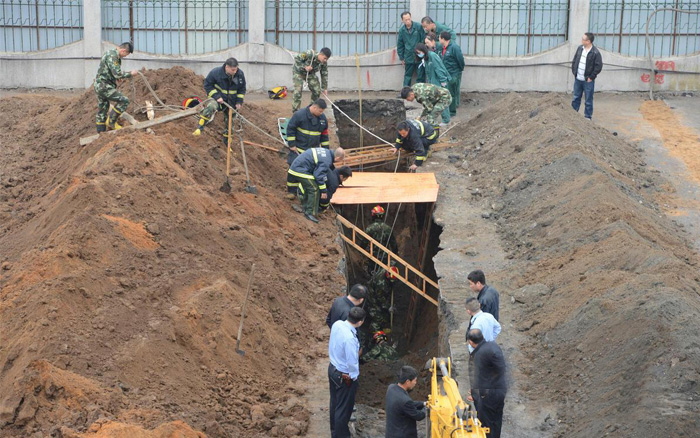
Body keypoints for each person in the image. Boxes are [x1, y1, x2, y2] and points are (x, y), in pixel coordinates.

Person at [329, 307, 365, 438]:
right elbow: (352, 362)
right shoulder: (350, 338)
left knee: (334, 403)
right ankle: (341, 435)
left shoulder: (337, 324)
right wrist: (354, 378)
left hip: (332, 368)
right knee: (343, 410)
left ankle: (334, 432)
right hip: (344, 376)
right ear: (360, 322)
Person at [287, 147, 345, 223]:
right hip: (299, 169)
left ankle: (305, 206)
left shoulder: (327, 153)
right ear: (337, 158)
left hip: (299, 167)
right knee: (314, 188)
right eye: (340, 160)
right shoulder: (326, 160)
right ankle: (310, 213)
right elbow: (318, 175)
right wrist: (324, 191)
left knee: (312, 184)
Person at [467, 329, 507, 438]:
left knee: (486, 424)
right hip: (500, 390)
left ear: (471, 342)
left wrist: (475, 394)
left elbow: (479, 377)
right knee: (496, 420)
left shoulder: (479, 355)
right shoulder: (493, 346)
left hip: (488, 395)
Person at [193, 58, 246, 136]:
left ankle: (227, 142)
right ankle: (199, 128)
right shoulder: (216, 73)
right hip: (218, 100)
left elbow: (242, 89)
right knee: (211, 107)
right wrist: (217, 96)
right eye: (233, 70)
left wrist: (239, 101)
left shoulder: (240, 74)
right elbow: (208, 85)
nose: (235, 72)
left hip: (232, 102)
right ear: (227, 67)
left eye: (236, 69)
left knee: (230, 123)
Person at [94, 42, 138, 133]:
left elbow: (109, 71)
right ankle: (112, 122)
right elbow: (117, 74)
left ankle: (100, 135)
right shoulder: (113, 56)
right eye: (126, 54)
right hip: (104, 86)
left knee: (102, 110)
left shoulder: (109, 53)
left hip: (99, 85)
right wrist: (130, 74)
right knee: (124, 100)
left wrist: (115, 77)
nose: (125, 56)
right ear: (123, 50)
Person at [285, 99, 331, 172]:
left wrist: (326, 151)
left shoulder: (322, 119)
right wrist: (292, 145)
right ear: (315, 108)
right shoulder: (299, 115)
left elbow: (324, 136)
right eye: (320, 111)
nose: (321, 113)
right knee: (295, 170)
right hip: (298, 151)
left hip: (313, 154)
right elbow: (291, 129)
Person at [415, 43, 452, 126]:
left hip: (438, 81)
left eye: (419, 52)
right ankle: (432, 119)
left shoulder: (432, 56)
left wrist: (443, 81)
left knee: (442, 99)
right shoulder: (425, 58)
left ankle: (446, 120)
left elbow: (439, 68)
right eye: (417, 53)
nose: (419, 54)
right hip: (433, 82)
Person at [385, 365, 426, 438]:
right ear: (407, 381)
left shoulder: (391, 388)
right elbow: (418, 416)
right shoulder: (405, 401)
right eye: (415, 380)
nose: (415, 383)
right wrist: (428, 408)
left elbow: (407, 405)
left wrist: (423, 404)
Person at [571, 32, 603, 120]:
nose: (581, 41)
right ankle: (573, 115)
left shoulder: (595, 52)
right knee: (576, 97)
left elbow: (598, 66)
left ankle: (587, 117)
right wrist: (574, 71)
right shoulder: (580, 49)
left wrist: (591, 77)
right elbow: (574, 60)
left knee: (588, 100)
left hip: (587, 80)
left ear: (588, 41)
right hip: (578, 79)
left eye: (583, 39)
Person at [292, 47, 331, 113]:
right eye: (325, 58)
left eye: (327, 59)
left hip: (310, 74)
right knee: (298, 91)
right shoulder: (309, 54)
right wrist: (305, 67)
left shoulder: (323, 63)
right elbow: (297, 59)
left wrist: (324, 88)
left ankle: (312, 109)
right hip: (299, 72)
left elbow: (324, 74)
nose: (325, 60)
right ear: (320, 54)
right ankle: (296, 112)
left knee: (316, 90)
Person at [438, 31, 465, 118]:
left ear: (443, 39)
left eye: (439, 37)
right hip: (447, 74)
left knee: (452, 93)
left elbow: (460, 60)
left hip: (453, 73)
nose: (438, 39)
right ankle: (448, 110)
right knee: (447, 92)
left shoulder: (454, 47)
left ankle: (452, 112)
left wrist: (459, 70)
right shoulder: (443, 48)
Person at [363, 206, 399, 271]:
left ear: (373, 215)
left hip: (373, 256)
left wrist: (362, 249)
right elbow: (393, 243)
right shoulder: (387, 228)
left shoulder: (370, 228)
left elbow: (364, 243)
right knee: (383, 273)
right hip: (385, 257)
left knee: (372, 273)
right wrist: (395, 252)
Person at [397, 11, 425, 87]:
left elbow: (423, 39)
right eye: (406, 20)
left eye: (409, 19)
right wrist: (401, 58)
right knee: (407, 75)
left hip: (419, 55)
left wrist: (423, 52)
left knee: (421, 74)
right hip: (408, 56)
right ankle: (406, 91)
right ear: (402, 20)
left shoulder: (418, 27)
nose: (408, 21)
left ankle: (420, 91)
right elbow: (400, 45)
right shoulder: (402, 31)